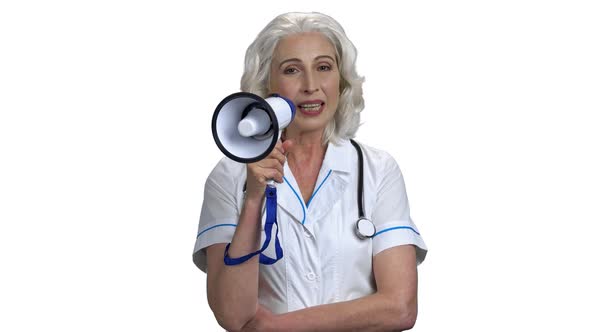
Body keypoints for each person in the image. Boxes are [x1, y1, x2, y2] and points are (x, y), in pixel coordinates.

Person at [193, 12, 427, 331]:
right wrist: (253, 200)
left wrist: (274, 327)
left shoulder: (378, 170)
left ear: (341, 80)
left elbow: (400, 308)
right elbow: (234, 315)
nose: (311, 86)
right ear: (267, 84)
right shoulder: (229, 176)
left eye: (323, 67)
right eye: (292, 70)